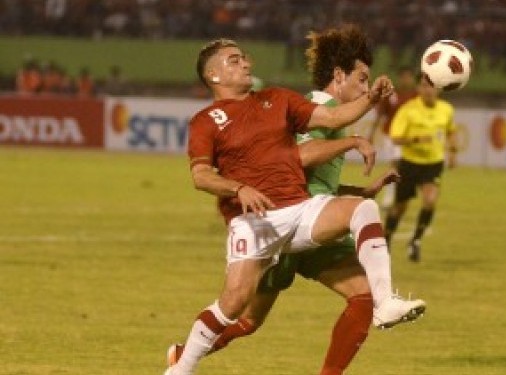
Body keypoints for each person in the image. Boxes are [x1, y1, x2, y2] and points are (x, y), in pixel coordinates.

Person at [164, 38, 425, 375]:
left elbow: (332, 118)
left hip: (300, 209)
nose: (245, 63)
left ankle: (385, 302)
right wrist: (239, 187)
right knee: (235, 308)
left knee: (363, 211)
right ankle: (181, 367)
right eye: (234, 60)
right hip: (256, 220)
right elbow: (201, 176)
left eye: (244, 57)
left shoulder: (277, 98)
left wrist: (372, 97)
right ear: (214, 75)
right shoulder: (205, 121)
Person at [383, 73, 458, 262]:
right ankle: (386, 239)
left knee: (430, 200)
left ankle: (415, 241)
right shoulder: (408, 110)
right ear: (418, 88)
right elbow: (395, 138)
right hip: (409, 163)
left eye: (432, 86)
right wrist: (416, 139)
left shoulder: (446, 109)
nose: (428, 90)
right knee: (400, 207)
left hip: (433, 164)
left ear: (439, 89)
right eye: (424, 86)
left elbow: (451, 131)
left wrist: (453, 153)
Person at [367, 65, 418, 209]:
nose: (406, 80)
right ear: (400, 78)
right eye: (404, 77)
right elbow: (381, 114)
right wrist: (371, 133)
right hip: (391, 135)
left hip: (410, 137)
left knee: (406, 168)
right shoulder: (392, 94)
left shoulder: (417, 96)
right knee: (395, 164)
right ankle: (390, 197)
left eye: (409, 77)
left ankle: (401, 195)